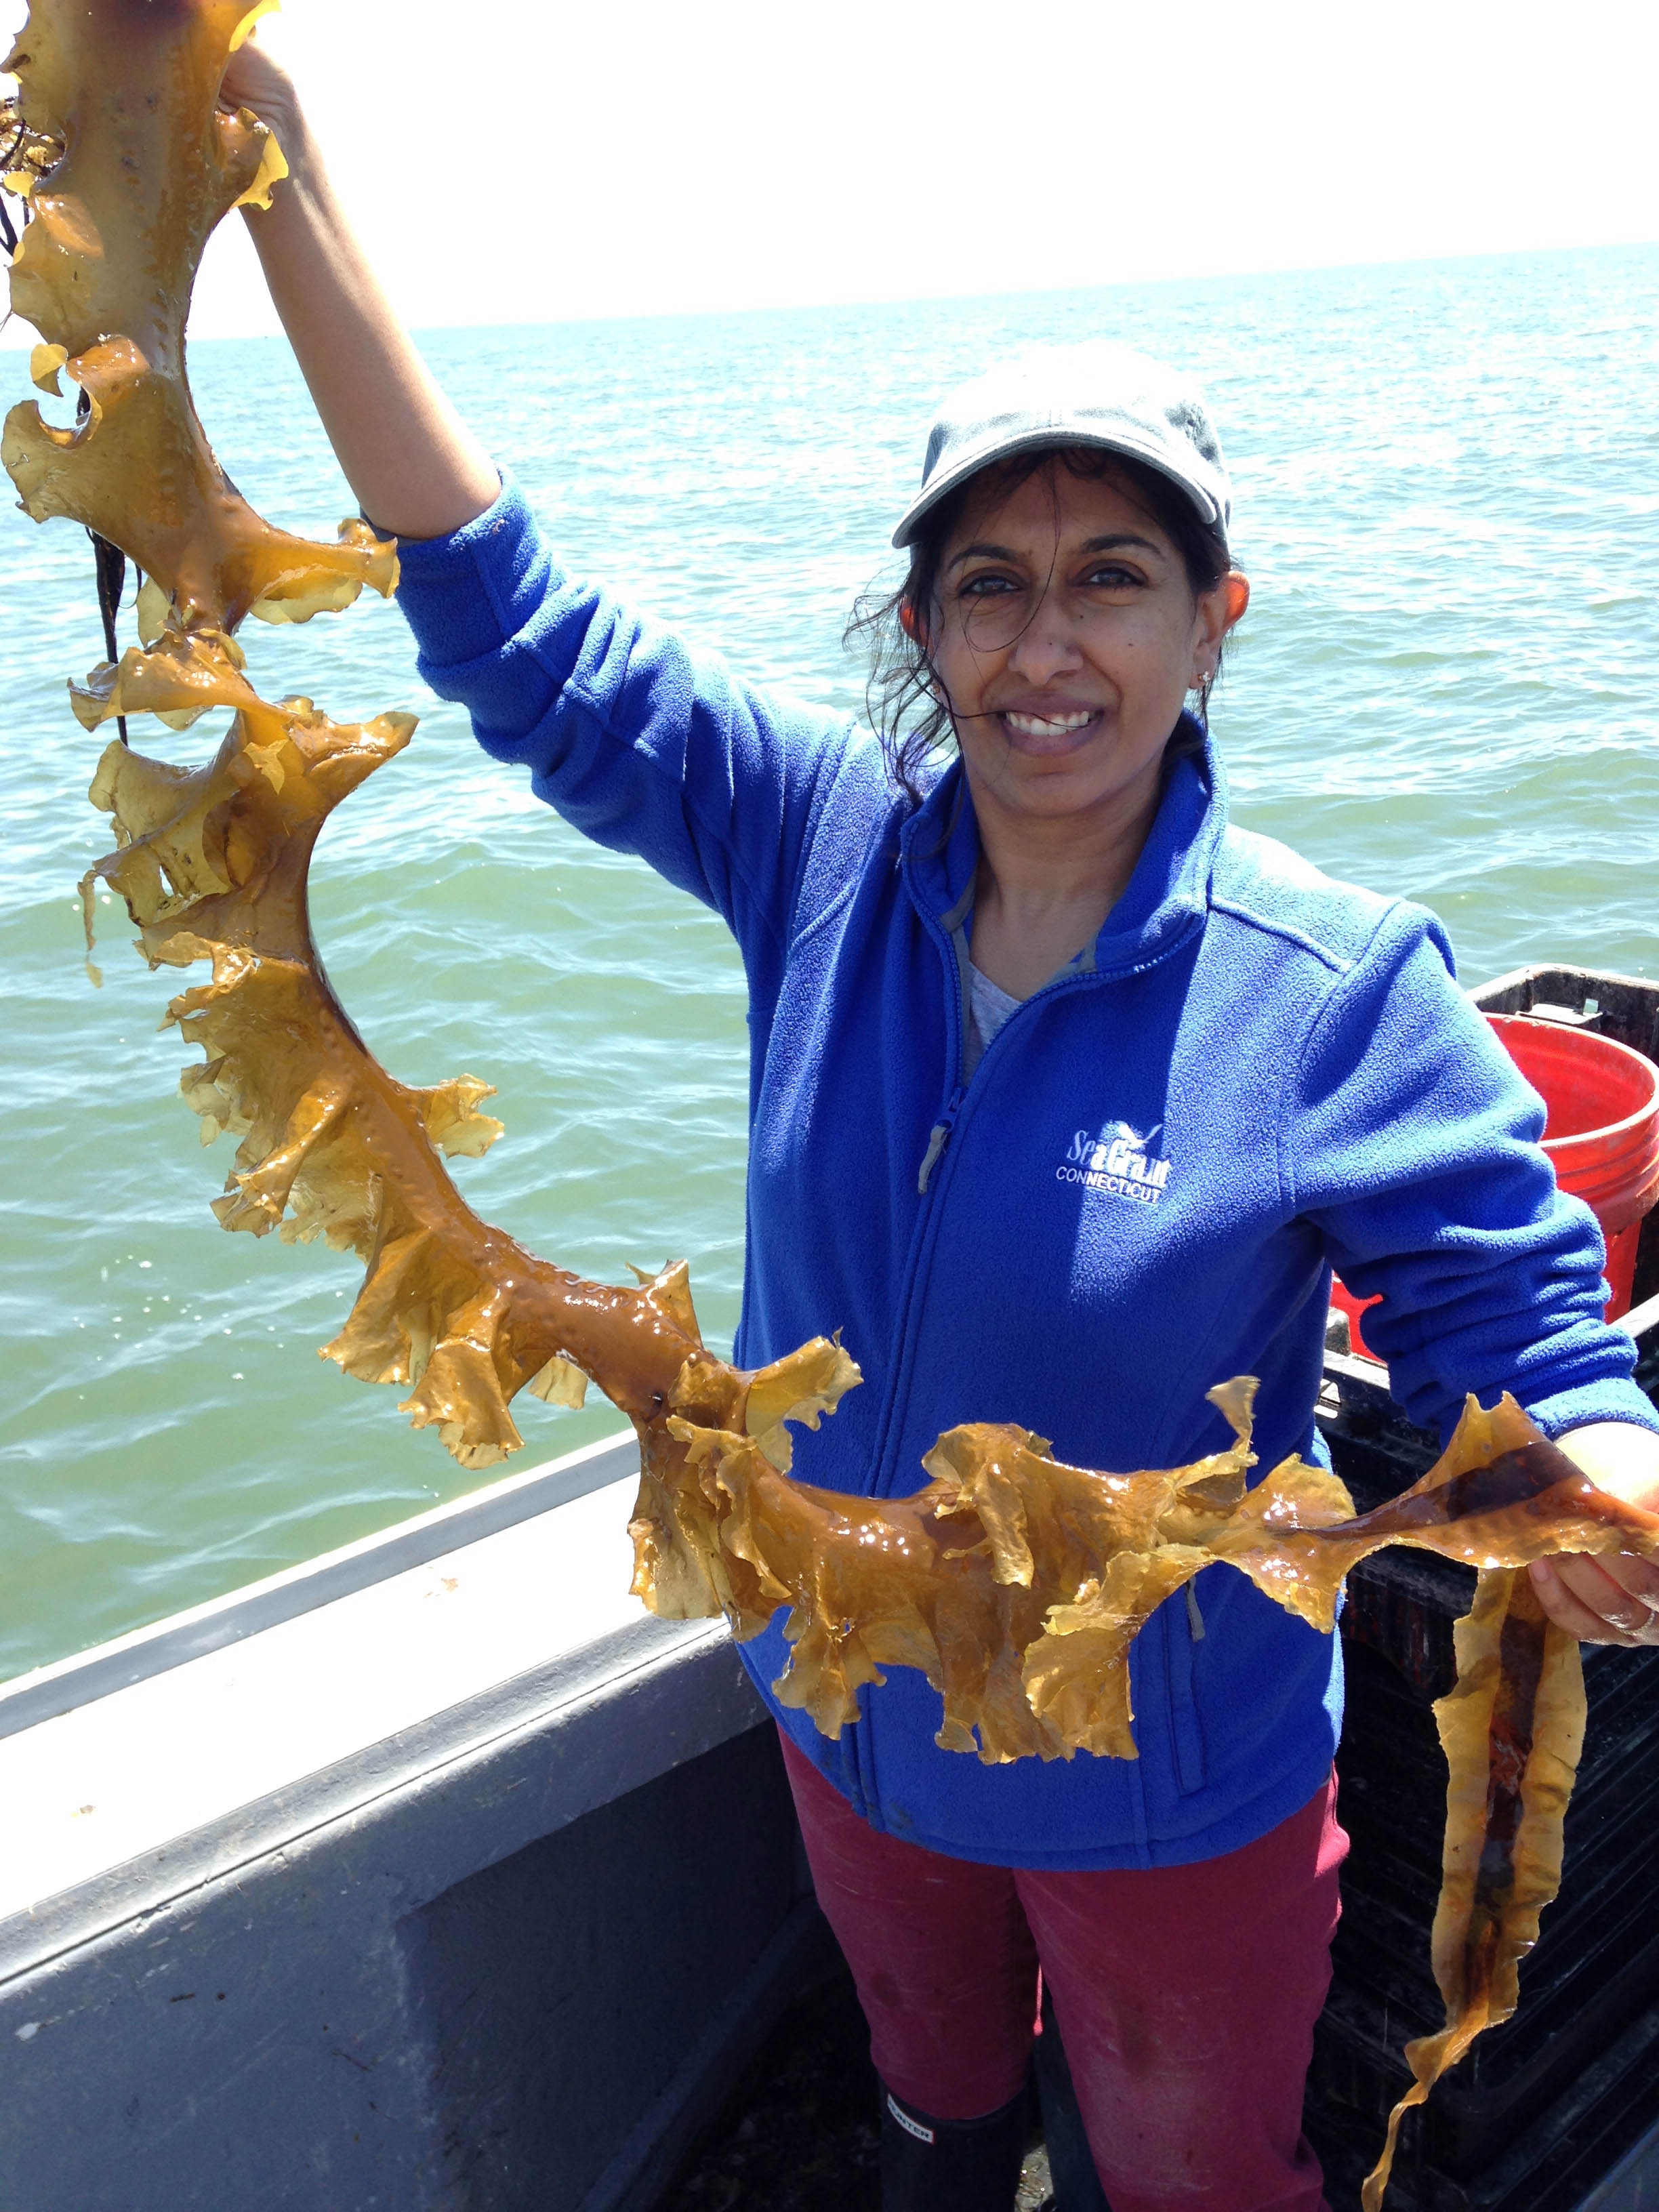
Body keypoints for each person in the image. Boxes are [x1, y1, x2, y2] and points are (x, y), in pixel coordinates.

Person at [222, 40, 1659, 2212]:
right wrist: (278, 173)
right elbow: (511, 623)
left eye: (1110, 576)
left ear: (1211, 622)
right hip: (848, 1711)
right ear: (922, 628)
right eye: (988, 582)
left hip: (1177, 1803)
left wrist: (1611, 1473)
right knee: (930, 2109)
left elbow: (1524, 1325)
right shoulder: (812, 846)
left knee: (1195, 2180)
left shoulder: (1340, 985)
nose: (1044, 643)